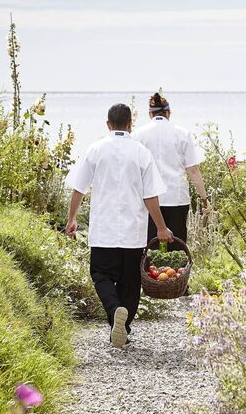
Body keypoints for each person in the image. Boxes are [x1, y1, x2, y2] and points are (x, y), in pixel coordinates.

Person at [65, 103, 173, 348]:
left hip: (103, 231)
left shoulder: (95, 150)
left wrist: (72, 219)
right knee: (130, 282)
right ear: (130, 125)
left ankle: (115, 313)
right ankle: (123, 326)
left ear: (108, 125)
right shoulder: (141, 152)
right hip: (132, 232)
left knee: (101, 275)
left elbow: (79, 189)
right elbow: (150, 196)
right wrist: (161, 227)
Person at [132, 92, 209, 251]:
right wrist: (204, 198)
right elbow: (193, 170)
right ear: (168, 113)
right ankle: (177, 276)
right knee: (178, 248)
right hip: (177, 197)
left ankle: (148, 275)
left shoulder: (138, 134)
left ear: (149, 114)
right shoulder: (182, 133)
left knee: (149, 248)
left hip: (149, 199)